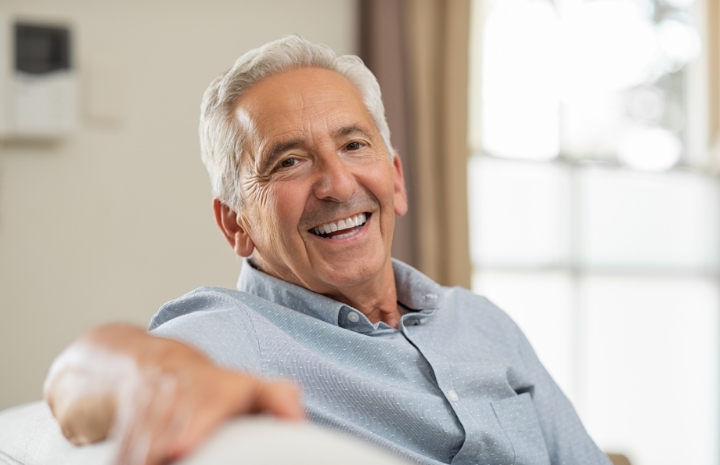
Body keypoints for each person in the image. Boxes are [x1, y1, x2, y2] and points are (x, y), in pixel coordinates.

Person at [44, 36, 611, 465]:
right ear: (235, 224)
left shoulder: (484, 323)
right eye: (288, 161)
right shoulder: (237, 335)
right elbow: (76, 377)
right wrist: (158, 376)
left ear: (396, 179)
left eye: (353, 144)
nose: (338, 184)